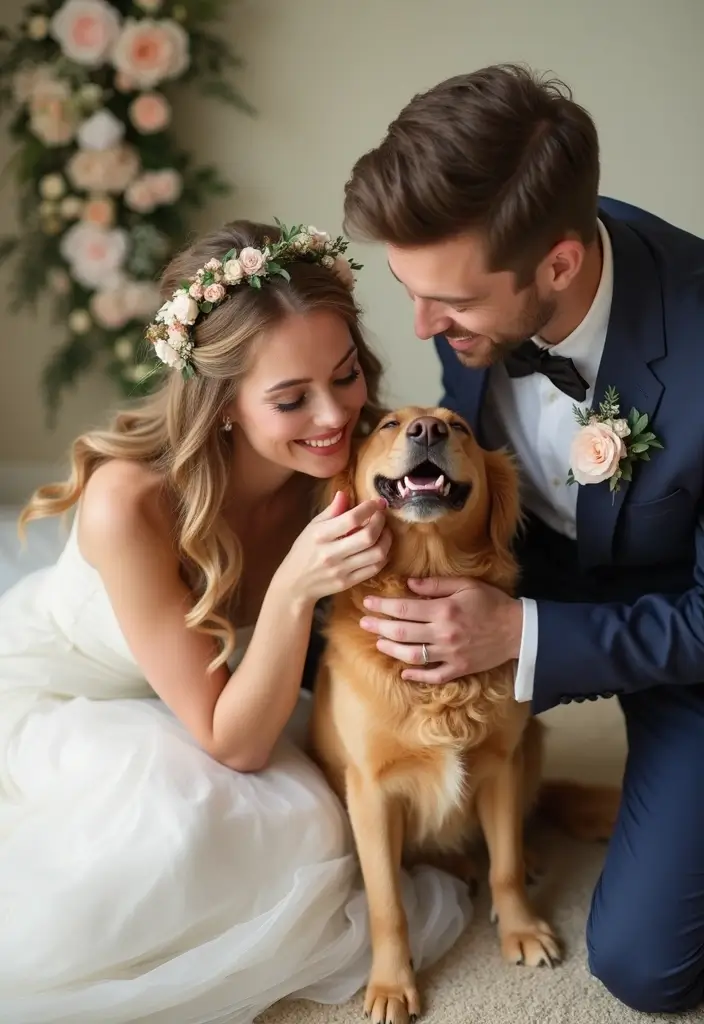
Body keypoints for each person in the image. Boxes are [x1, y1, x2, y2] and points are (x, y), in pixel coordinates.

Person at [0, 219, 472, 1023]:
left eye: (347, 374)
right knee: (219, 837)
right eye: (291, 399)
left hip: (227, 692)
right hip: (77, 696)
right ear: (220, 403)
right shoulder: (131, 502)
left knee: (319, 821)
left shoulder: (355, 462)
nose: (335, 417)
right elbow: (234, 743)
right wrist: (293, 587)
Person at [342, 63, 704, 1014]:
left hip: (688, 633)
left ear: (559, 265)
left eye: (450, 305)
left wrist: (519, 637)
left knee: (644, 967)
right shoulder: (471, 271)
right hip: (536, 563)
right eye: (407, 291)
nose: (420, 326)